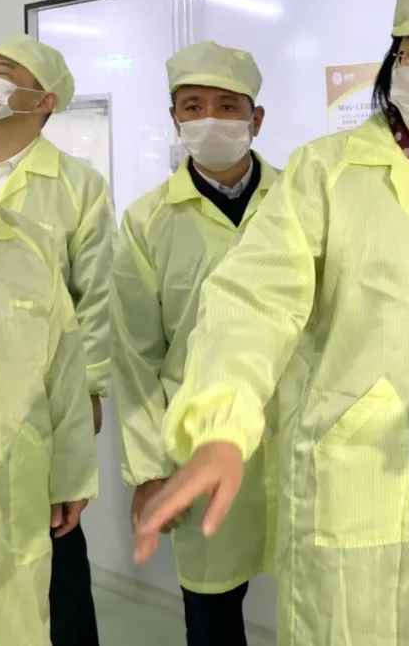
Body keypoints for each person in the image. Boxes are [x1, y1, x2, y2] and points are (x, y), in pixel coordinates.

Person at [132, 0, 409, 646]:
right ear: (393, 64)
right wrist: (220, 426)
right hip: (359, 483)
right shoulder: (324, 171)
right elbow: (253, 301)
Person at [110, 41, 276, 646]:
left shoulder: (301, 201)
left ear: (257, 118)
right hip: (199, 439)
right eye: (193, 106)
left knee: (317, 598)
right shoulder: (148, 220)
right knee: (212, 607)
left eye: (227, 106)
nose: (210, 119)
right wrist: (149, 471)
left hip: (295, 433)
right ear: (174, 119)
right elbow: (136, 354)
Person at [0, 34, 114, 645]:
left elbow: (94, 297)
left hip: (34, 394)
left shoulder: (75, 184)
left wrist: (91, 389)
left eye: (5, 73)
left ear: (45, 99)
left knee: (53, 547)